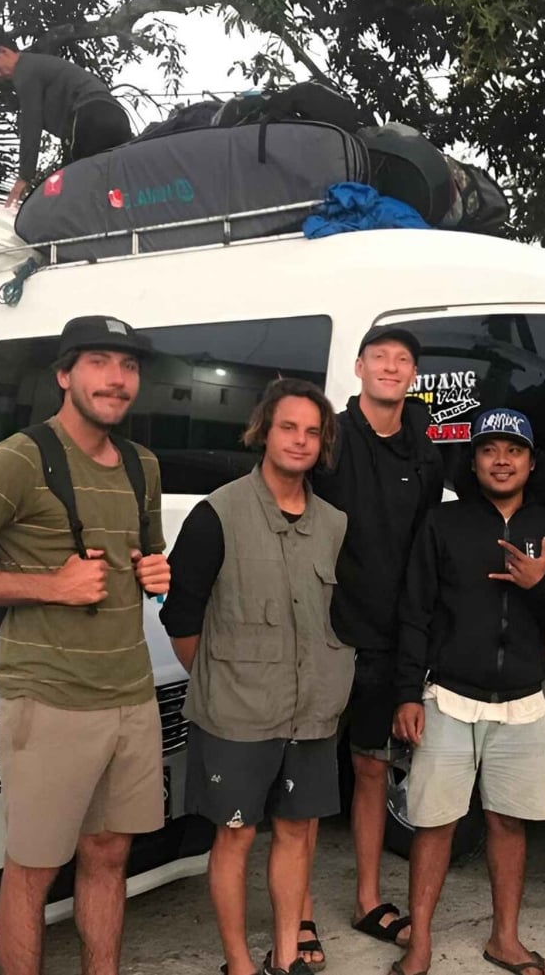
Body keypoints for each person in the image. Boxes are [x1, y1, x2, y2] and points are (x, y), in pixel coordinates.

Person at [0, 315, 169, 975]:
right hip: (48, 700)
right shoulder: (17, 459)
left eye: (128, 366)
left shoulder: (143, 465)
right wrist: (51, 585)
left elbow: (144, 556)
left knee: (109, 851)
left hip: (131, 697)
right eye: (100, 362)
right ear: (64, 373)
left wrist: (156, 570)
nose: (116, 378)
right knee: (32, 868)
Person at [160, 379, 352, 975]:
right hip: (236, 717)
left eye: (312, 431)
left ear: (323, 445)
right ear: (263, 432)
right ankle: (240, 963)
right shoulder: (216, 514)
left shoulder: (336, 524)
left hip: (312, 712)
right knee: (236, 839)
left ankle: (287, 957)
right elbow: (182, 617)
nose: (300, 440)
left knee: (297, 836)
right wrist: (224, 678)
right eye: (288, 427)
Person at [389, 407, 545, 975]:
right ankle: (420, 942)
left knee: (507, 822)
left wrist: (541, 585)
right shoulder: (442, 525)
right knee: (435, 823)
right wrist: (407, 693)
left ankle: (505, 939)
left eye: (514, 450)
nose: (501, 460)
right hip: (447, 696)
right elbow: (414, 614)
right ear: (471, 461)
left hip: (523, 702)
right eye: (488, 450)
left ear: (531, 462)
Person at [305, 327, 444, 965]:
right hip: (322, 631)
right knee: (304, 775)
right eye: (380, 358)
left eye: (403, 360)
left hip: (386, 639)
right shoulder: (328, 438)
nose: (391, 368)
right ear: (359, 367)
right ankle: (297, 911)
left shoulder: (424, 445)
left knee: (370, 767)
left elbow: (422, 548)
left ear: (413, 374)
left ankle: (366, 898)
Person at [0, 27, 134, 206]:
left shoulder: (25, 70)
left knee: (71, 187)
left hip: (90, 116)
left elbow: (31, 122)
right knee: (115, 185)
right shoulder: (39, 65)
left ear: (3, 52)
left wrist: (24, 177)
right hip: (117, 116)